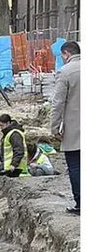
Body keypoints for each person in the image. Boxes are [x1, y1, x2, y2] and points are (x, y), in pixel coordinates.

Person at [51, 40, 80, 214]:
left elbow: (58, 104)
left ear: (66, 54)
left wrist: (54, 128)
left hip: (75, 129)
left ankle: (80, 203)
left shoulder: (66, 72)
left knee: (76, 166)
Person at [0, 114, 29, 178]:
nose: (0, 128)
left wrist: (13, 165)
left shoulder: (14, 134)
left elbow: (19, 150)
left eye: (2, 125)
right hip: (11, 165)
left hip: (15, 166)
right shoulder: (9, 133)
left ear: (8, 123)